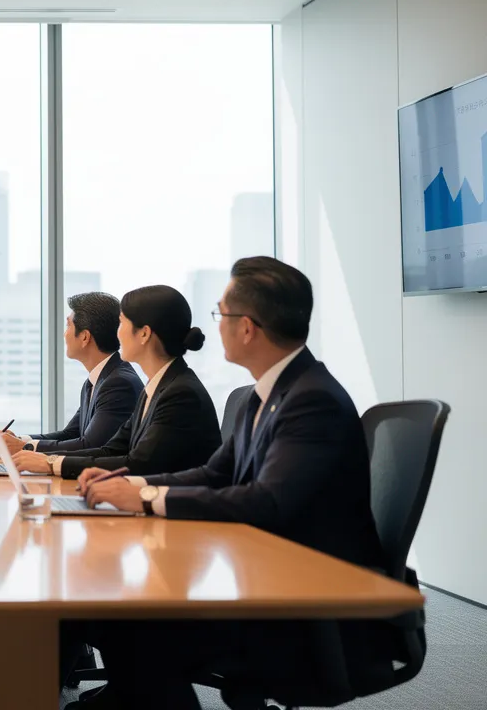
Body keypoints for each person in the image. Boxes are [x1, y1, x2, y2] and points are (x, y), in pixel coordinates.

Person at [70, 258, 388, 709]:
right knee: (119, 615)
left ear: (248, 328)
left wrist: (143, 495)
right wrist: (132, 488)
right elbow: (214, 473)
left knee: (133, 622)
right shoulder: (271, 393)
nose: (213, 326)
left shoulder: (310, 400)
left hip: (303, 603)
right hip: (264, 574)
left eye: (221, 315)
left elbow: (265, 501)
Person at [5, 285, 220, 481]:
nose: (117, 333)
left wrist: (49, 462)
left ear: (144, 333)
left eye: (123, 323)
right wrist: (45, 459)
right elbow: (111, 450)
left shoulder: (179, 392)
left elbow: (138, 463)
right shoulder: (156, 387)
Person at [0, 292, 142, 453]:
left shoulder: (118, 384)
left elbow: (91, 445)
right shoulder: (98, 379)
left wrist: (24, 447)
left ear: (85, 337)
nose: (65, 333)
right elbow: (71, 434)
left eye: (68, 325)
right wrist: (18, 441)